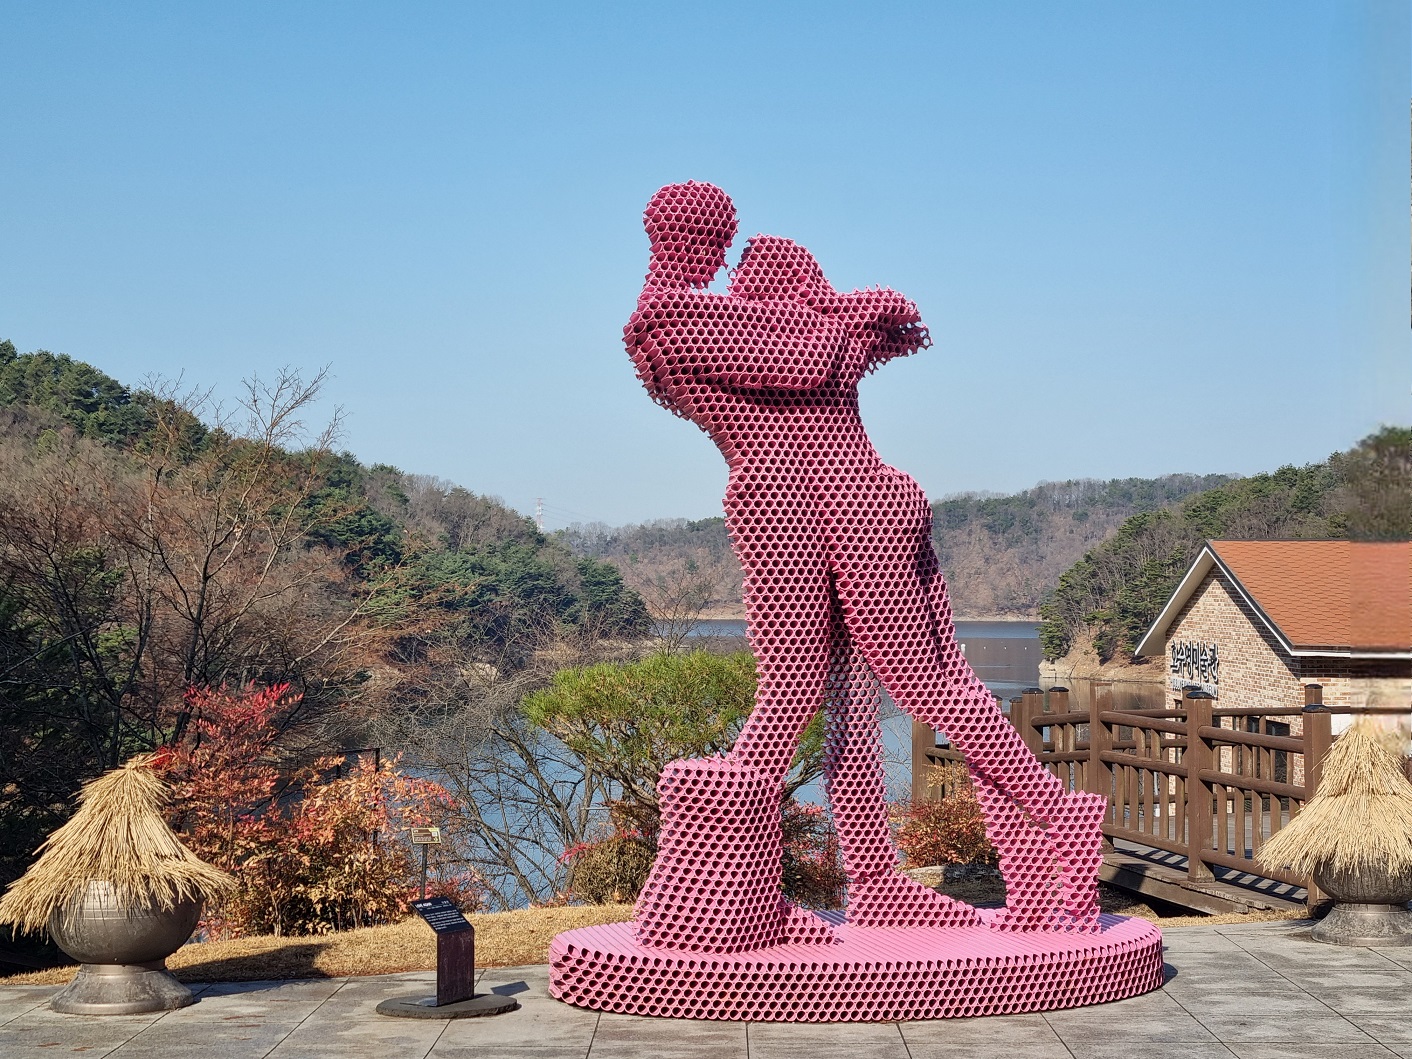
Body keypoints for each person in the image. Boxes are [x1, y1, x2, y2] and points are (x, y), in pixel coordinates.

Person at [624, 182, 1104, 948]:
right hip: (801, 507)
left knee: (909, 682)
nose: (722, 267)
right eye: (712, 247)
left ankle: (1056, 812)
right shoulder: (693, 330)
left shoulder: (769, 333)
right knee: (841, 699)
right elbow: (740, 340)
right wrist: (839, 316)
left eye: (731, 261)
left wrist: (832, 318)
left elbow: (795, 344)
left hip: (852, 510)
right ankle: (875, 881)